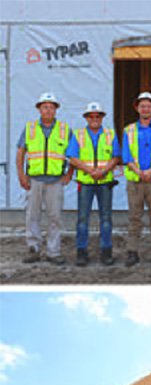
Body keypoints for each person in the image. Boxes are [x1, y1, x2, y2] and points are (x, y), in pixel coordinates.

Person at [16, 92, 77, 265]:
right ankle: (33, 248)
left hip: (55, 181)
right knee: (32, 215)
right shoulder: (30, 128)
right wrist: (21, 174)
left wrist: (69, 174)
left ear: (56, 109)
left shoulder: (65, 130)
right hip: (34, 180)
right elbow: (21, 152)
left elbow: (73, 155)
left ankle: (53, 251)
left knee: (55, 217)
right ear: (39, 109)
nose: (48, 110)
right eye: (45, 107)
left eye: (51, 107)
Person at [67, 102, 120, 266]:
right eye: (91, 116)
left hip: (105, 182)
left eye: (97, 116)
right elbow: (73, 157)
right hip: (86, 182)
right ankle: (81, 252)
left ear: (102, 118)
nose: (94, 119)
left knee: (106, 218)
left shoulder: (110, 134)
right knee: (83, 219)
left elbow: (116, 157)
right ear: (86, 118)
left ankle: (106, 252)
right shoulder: (78, 134)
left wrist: (103, 171)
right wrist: (90, 170)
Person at [121, 91, 151, 267]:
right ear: (137, 108)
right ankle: (132, 252)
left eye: (149, 105)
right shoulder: (129, 130)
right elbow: (126, 156)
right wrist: (140, 171)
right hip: (135, 181)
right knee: (135, 218)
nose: (145, 109)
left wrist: (150, 170)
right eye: (142, 105)